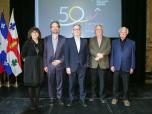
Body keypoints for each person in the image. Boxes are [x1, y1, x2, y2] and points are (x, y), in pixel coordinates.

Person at [110, 27, 135, 107]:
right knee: (115, 83)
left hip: (127, 66)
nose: (123, 33)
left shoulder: (132, 42)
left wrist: (132, 66)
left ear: (127, 33)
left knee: (126, 84)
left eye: (124, 32)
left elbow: (133, 56)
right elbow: (112, 54)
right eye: (121, 32)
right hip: (116, 66)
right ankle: (115, 97)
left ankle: (125, 99)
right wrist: (111, 65)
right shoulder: (114, 42)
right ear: (119, 33)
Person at [65, 24, 88, 107]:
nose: (77, 30)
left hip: (82, 66)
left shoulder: (85, 41)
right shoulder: (68, 41)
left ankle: (82, 100)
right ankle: (71, 100)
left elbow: (87, 54)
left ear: (80, 31)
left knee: (82, 84)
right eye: (75, 29)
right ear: (72, 31)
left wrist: (86, 64)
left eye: (78, 29)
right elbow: (66, 54)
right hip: (71, 67)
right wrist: (67, 66)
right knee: (71, 84)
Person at [21, 27, 44, 110]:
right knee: (30, 84)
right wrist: (28, 62)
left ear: (38, 34)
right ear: (30, 34)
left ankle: (37, 102)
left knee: (38, 84)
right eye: (33, 32)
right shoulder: (27, 43)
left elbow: (43, 53)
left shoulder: (41, 42)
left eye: (36, 32)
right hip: (30, 66)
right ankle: (32, 103)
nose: (35, 34)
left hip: (39, 65)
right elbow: (23, 54)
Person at [43, 21, 65, 106]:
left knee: (60, 83)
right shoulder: (46, 39)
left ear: (59, 28)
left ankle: (59, 98)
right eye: (53, 26)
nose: (55, 28)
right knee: (50, 83)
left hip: (60, 65)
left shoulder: (64, 39)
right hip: (49, 65)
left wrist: (60, 60)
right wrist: (45, 65)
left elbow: (65, 53)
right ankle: (51, 98)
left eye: (56, 26)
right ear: (51, 28)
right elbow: (44, 53)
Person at [89, 24, 111, 103]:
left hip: (103, 63)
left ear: (102, 30)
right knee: (93, 81)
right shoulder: (91, 39)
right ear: (95, 31)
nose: (98, 30)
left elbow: (108, 49)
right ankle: (93, 96)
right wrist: (97, 55)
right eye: (97, 29)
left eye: (100, 29)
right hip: (94, 63)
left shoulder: (107, 39)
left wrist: (102, 54)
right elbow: (90, 49)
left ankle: (102, 97)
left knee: (102, 81)